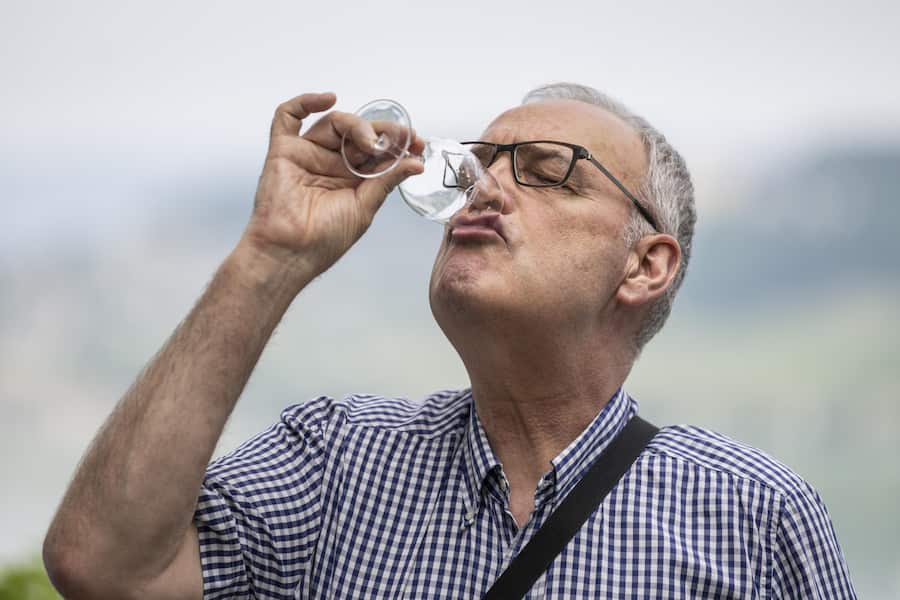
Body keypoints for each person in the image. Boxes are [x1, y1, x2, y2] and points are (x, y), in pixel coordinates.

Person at [43, 83, 856, 599]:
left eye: (548, 170)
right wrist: (272, 257)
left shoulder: (753, 515)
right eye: (476, 165)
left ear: (646, 265)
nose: (483, 187)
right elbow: (104, 567)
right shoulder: (336, 459)